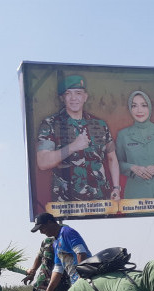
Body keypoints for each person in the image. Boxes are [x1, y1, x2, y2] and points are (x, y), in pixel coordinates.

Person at [36, 74, 121, 202]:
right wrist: (72, 147)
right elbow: (43, 162)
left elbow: (112, 158)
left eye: (78, 93)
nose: (74, 98)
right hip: (67, 202)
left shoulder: (99, 124)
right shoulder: (50, 123)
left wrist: (116, 188)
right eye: (68, 93)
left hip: (100, 200)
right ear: (62, 98)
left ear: (85, 97)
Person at [30, 213, 90, 291]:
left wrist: (81, 279)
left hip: (87, 280)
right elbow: (58, 269)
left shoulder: (67, 232)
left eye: (42, 228)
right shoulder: (55, 243)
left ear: (50, 222)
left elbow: (81, 253)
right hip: (75, 282)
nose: (41, 232)